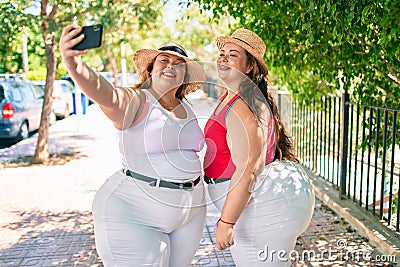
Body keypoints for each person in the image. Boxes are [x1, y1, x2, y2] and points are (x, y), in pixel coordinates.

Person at [59, 24, 207, 266]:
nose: (171, 65)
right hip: (135, 214)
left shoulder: (187, 106)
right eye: (164, 60)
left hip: (189, 213)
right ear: (150, 69)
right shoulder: (138, 100)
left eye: (178, 64)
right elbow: (106, 93)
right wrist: (75, 65)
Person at [203, 28, 315, 266]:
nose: (223, 58)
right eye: (222, 52)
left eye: (232, 55)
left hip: (261, 211)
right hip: (258, 208)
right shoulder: (237, 97)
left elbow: (250, 168)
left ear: (249, 67)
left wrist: (226, 222)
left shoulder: (242, 105)